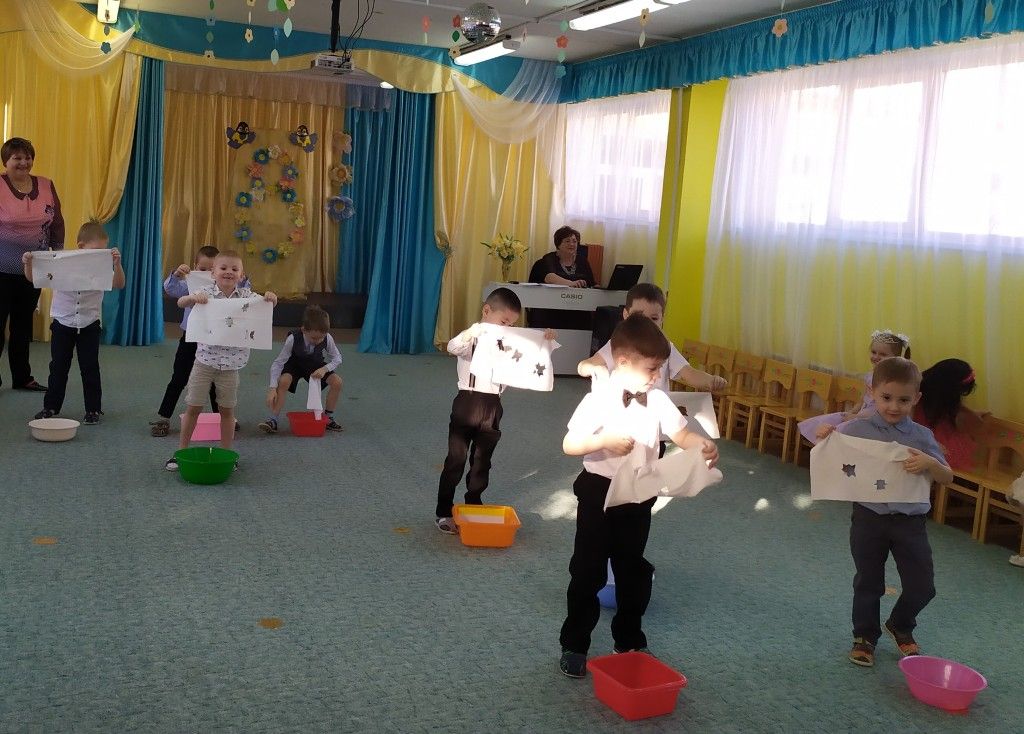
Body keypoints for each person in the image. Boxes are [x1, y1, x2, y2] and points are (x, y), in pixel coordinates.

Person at [558, 314, 719, 678]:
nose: (657, 376)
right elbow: (570, 443)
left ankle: (629, 639)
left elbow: (681, 435)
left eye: (660, 368)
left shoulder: (658, 399)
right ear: (623, 362)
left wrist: (701, 444)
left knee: (632, 570)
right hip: (598, 494)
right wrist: (602, 441)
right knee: (587, 571)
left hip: (639, 495)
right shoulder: (598, 400)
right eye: (651, 368)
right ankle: (575, 643)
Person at [839, 357, 952, 667]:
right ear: (872, 393)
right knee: (868, 581)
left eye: (903, 400)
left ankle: (900, 624)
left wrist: (931, 463)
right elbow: (830, 454)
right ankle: (864, 637)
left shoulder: (922, 436)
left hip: (910, 521)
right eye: (886, 397)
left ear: (916, 398)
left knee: (923, 586)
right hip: (869, 517)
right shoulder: (856, 429)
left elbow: (947, 476)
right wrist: (824, 435)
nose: (893, 406)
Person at [435, 287, 555, 533]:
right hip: (467, 402)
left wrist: (544, 339)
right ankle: (443, 511)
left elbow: (529, 356)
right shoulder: (474, 337)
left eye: (512, 324)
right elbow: (453, 347)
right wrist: (471, 332)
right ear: (486, 311)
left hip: (493, 406)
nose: (507, 328)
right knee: (456, 460)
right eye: (504, 322)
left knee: (482, 460)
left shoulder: (507, 344)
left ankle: (474, 502)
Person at [164, 251, 277, 471]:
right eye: (223, 268)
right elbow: (180, 302)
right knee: (193, 407)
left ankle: (227, 455)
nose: (228, 272)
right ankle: (180, 452)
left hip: (231, 366)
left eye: (234, 269)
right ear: (213, 273)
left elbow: (268, 304)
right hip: (204, 362)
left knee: (227, 412)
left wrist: (272, 297)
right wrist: (192, 299)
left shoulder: (246, 295)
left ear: (241, 274)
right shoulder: (205, 292)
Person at [23, 222, 124, 423]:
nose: (99, 255)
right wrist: (27, 263)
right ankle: (51, 406)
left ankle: (93, 409)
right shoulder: (61, 262)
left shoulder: (102, 268)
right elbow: (34, 278)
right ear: (80, 246)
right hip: (63, 323)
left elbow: (119, 284)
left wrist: (117, 265)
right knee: (58, 367)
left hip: (89, 324)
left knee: (90, 368)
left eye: (102, 251)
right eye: (96, 250)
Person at [150, 245, 251, 437]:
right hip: (191, 337)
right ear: (195, 267)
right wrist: (178, 274)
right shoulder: (191, 283)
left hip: (216, 341)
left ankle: (223, 418)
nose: (206, 274)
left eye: (211, 269)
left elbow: (246, 294)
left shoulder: (230, 286)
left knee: (217, 380)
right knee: (179, 377)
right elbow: (171, 289)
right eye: (202, 269)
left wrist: (242, 278)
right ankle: (164, 417)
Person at [577, 283, 727, 393]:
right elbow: (584, 365)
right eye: (639, 316)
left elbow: (689, 373)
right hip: (624, 416)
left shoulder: (665, 347)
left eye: (654, 318)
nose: (646, 323)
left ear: (662, 319)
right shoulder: (619, 345)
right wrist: (594, 369)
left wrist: (710, 380)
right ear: (626, 315)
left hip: (656, 416)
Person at [0, 137, 64, 391]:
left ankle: (22, 378)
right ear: (6, 161)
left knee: (22, 325)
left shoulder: (46, 184)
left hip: (34, 269)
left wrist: (58, 254)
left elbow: (57, 221)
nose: (24, 162)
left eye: (28, 157)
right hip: (1, 269)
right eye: (17, 158)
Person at [799, 330, 911, 444]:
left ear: (896, 357)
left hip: (878, 415)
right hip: (864, 411)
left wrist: (857, 417)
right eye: (873, 352)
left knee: (846, 429)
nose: (876, 357)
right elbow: (862, 399)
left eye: (883, 354)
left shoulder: (894, 380)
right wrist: (852, 412)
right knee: (838, 422)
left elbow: (884, 407)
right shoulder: (870, 375)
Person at [259, 305, 344, 434]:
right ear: (303, 330)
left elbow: (337, 358)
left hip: (315, 366)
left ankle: (328, 418)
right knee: (284, 381)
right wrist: (272, 388)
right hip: (294, 365)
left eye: (322, 338)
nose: (318, 341)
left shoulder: (327, 337)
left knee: (337, 382)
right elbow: (278, 363)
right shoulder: (293, 338)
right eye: (314, 338)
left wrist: (324, 369)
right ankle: (273, 419)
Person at [914, 359, 984, 471]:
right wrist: (932, 442)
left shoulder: (943, 394)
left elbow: (955, 405)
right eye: (959, 392)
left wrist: (971, 412)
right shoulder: (916, 390)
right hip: (920, 428)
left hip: (934, 423)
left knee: (945, 454)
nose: (959, 396)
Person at [529, 225, 595, 288]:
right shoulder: (549, 258)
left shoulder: (583, 261)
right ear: (558, 244)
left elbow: (592, 283)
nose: (572, 244)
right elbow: (550, 278)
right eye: (567, 241)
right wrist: (572, 283)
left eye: (574, 241)